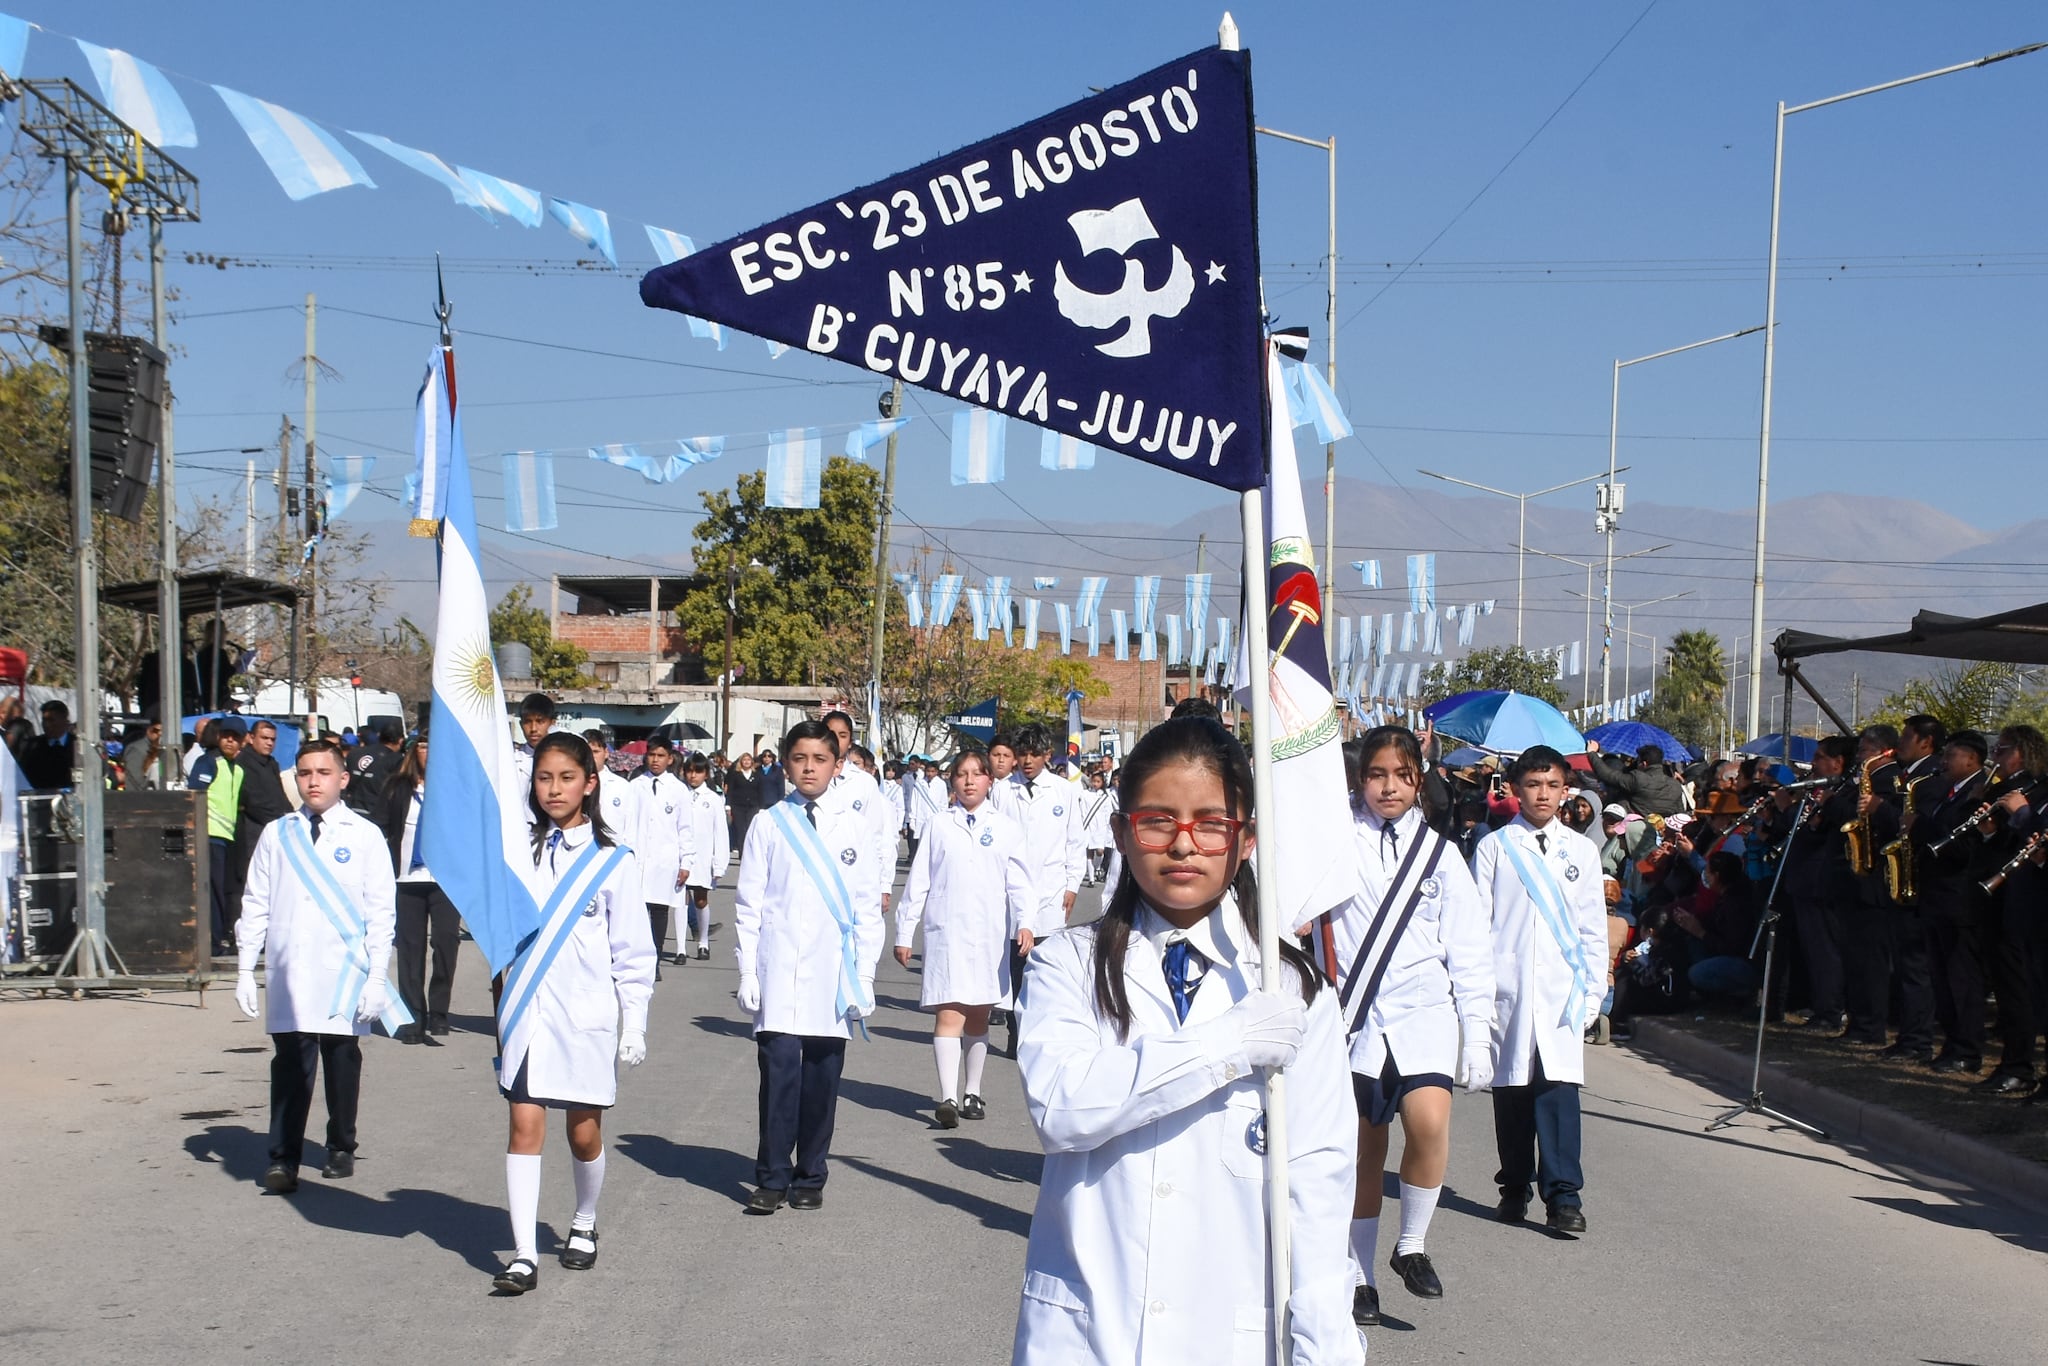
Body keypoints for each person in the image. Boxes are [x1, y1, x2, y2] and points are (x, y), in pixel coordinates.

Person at [1010, 715, 1360, 1365]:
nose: (1183, 843)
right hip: (1088, 1333)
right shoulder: (1069, 966)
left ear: (1247, 838)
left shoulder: (1295, 993)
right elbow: (1062, 1108)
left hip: (1228, 1334)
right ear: (1121, 831)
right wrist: (1227, 1044)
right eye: (1157, 820)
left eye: (1211, 822)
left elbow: (1319, 1186)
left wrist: (1327, 1349)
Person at [1321, 725, 1492, 1325]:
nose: (1387, 787)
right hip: (1353, 1017)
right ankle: (1359, 1276)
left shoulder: (1442, 854)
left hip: (1424, 1014)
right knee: (1364, 1154)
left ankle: (1411, 1244)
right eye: (1376, 775)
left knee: (1428, 1123)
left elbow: (1469, 948)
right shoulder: (1334, 840)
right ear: (1360, 780)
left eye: (1400, 775)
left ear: (1419, 780)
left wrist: (1478, 1028)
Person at [493, 733, 655, 1294]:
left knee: (583, 1134)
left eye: (566, 778)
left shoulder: (613, 862)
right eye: (544, 778)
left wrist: (633, 1021)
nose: (554, 789)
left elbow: (633, 952)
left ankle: (584, 1220)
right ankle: (523, 1255)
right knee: (523, 1123)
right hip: (528, 1012)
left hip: (586, 1015)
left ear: (589, 784)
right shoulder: (520, 855)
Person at [232, 739, 400, 1194]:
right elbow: (256, 902)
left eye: (323, 773)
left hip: (344, 971)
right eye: (305, 773)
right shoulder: (278, 833)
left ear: (342, 779)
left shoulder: (363, 835)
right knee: (290, 1066)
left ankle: (341, 1145)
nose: (313, 781)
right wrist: (246, 967)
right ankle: (282, 1158)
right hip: (291, 972)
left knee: (342, 1062)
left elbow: (381, 911)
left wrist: (379, 977)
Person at [734, 719, 885, 1214]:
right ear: (785, 762)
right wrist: (747, 973)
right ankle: (772, 1176)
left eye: (820, 759)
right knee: (778, 1079)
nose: (809, 768)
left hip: (832, 974)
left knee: (822, 1080)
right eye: (799, 758)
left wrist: (865, 977)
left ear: (838, 765)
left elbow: (865, 906)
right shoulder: (769, 822)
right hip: (778, 970)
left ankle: (810, 1173)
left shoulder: (853, 826)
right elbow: (749, 904)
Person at [1471, 744, 1607, 1235]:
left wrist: (1593, 994)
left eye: (1552, 785)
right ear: (1515, 789)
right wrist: (1478, 994)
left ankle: (1564, 1196)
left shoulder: (1583, 851)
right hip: (1508, 991)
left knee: (1557, 1093)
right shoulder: (1493, 847)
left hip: (1560, 994)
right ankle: (1514, 1186)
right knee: (1511, 1095)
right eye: (1533, 784)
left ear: (1565, 789)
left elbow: (1593, 928)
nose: (1543, 794)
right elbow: (1478, 924)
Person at [894, 748, 1031, 1127]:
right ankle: (948, 1097)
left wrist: (1026, 923)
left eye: (977, 773)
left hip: (988, 935)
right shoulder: (939, 825)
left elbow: (1019, 884)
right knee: (949, 1012)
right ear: (952, 781)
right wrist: (905, 931)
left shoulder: (1006, 828)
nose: (969, 780)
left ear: (990, 780)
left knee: (977, 1017)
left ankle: (973, 1091)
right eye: (962, 774)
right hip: (947, 933)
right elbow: (918, 882)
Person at [1003, 723, 1087, 1057]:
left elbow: (1074, 840)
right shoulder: (1002, 790)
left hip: (1052, 890)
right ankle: (1015, 1032)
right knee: (1015, 967)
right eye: (1021, 754)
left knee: (1045, 966)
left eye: (1033, 754)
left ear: (1046, 756)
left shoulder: (1063, 791)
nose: (1026, 761)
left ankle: (1042, 1031)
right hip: (1011, 891)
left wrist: (1072, 884)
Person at [377, 733, 459, 1042]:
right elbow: (380, 827)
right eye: (423, 745)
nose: (429, 752)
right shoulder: (398, 788)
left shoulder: (451, 789)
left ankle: (439, 1012)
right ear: (414, 751)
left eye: (435, 745)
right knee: (410, 948)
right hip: (406, 880)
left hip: (444, 881)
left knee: (446, 942)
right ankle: (412, 1015)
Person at [629, 738, 693, 972]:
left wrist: (686, 862)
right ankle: (638, 958)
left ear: (670, 759)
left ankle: (654, 959)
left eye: (660, 756)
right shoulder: (635, 786)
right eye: (651, 755)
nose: (655, 760)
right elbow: (628, 825)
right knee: (636, 911)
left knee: (659, 910)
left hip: (665, 860)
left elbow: (686, 829)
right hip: (637, 858)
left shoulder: (678, 789)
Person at [191, 718, 248, 956]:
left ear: (243, 741)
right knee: (212, 894)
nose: (230, 741)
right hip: (208, 836)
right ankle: (213, 944)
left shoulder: (238, 769)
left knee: (220, 892)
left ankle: (218, 939)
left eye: (235, 737)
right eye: (226, 736)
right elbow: (195, 795)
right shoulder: (208, 762)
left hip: (225, 838)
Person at [679, 753, 731, 961]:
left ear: (705, 774)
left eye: (697, 772)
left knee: (700, 900)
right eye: (689, 771)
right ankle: (681, 948)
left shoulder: (713, 799)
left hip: (703, 856)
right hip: (681, 855)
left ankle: (703, 942)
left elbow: (720, 832)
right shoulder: (679, 794)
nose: (693, 776)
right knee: (681, 900)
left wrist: (719, 864)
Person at [236, 720, 294, 884]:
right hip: (254, 831)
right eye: (265, 738)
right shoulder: (243, 762)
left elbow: (280, 796)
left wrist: (290, 817)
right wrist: (280, 820)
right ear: (251, 738)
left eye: (273, 739)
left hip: (278, 828)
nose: (269, 743)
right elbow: (253, 801)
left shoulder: (271, 763)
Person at [1586, 741, 1686, 818]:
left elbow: (1607, 775)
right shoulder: (1675, 785)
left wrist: (1591, 753)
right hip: (1663, 832)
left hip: (1637, 829)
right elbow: (1681, 813)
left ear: (1644, 764)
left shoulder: (1638, 779)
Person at [347, 721, 404, 819]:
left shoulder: (354, 753)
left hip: (350, 809)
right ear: (400, 741)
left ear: (379, 736)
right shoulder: (396, 760)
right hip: (376, 814)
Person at [21, 699, 77, 791]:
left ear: (64, 719)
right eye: (44, 720)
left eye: (51, 720)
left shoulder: (77, 745)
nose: (47, 725)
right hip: (40, 800)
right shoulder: (32, 746)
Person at [1079, 769, 1117, 888]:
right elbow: (1081, 809)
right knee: (1089, 852)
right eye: (1093, 781)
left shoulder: (1105, 797)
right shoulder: (1085, 794)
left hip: (1100, 828)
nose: (1095, 783)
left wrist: (1107, 827)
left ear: (1102, 783)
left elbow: (1108, 813)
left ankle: (1097, 868)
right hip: (1087, 826)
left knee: (1100, 851)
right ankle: (1091, 879)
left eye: (1098, 781)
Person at [725, 749, 765, 857]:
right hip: (738, 805)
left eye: (748, 760)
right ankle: (742, 854)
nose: (746, 762)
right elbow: (730, 790)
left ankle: (750, 852)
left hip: (753, 805)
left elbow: (760, 791)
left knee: (750, 829)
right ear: (741, 762)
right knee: (740, 829)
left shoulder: (757, 775)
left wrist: (762, 807)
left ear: (752, 762)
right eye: (744, 760)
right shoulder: (735, 774)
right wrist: (728, 805)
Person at [512, 693, 556, 789]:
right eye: (527, 722)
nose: (533, 729)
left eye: (540, 721)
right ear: (521, 724)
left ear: (552, 723)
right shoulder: (512, 760)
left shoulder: (563, 758)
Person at [122, 719, 165, 791]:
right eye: (156, 731)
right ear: (148, 731)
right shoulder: (136, 749)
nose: (159, 734)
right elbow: (136, 780)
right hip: (139, 796)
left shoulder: (163, 749)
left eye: (163, 732)